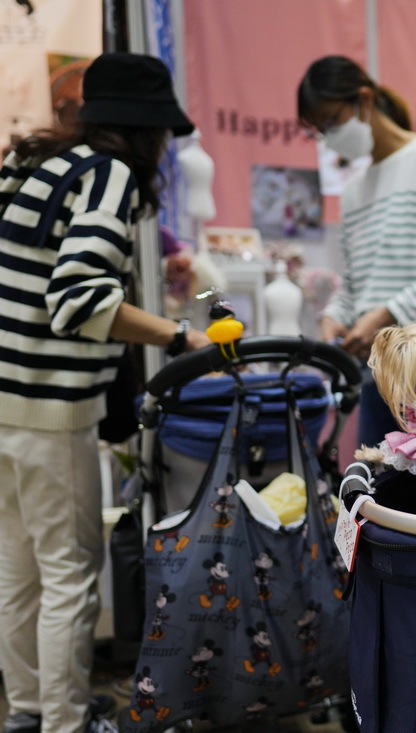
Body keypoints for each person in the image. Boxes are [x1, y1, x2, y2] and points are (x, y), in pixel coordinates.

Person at [0, 52, 211, 733]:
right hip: (49, 405)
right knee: (68, 571)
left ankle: (30, 709)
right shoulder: (109, 176)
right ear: (148, 129)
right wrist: (180, 337)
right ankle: (65, 722)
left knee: (17, 568)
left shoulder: (33, 163)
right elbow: (81, 299)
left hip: (4, 393)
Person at [297, 56, 416, 447]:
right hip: (381, 370)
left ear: (364, 99)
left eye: (331, 120)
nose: (329, 136)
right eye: (320, 130)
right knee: (381, 493)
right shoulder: (352, 190)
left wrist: (388, 313)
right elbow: (357, 281)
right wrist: (335, 316)